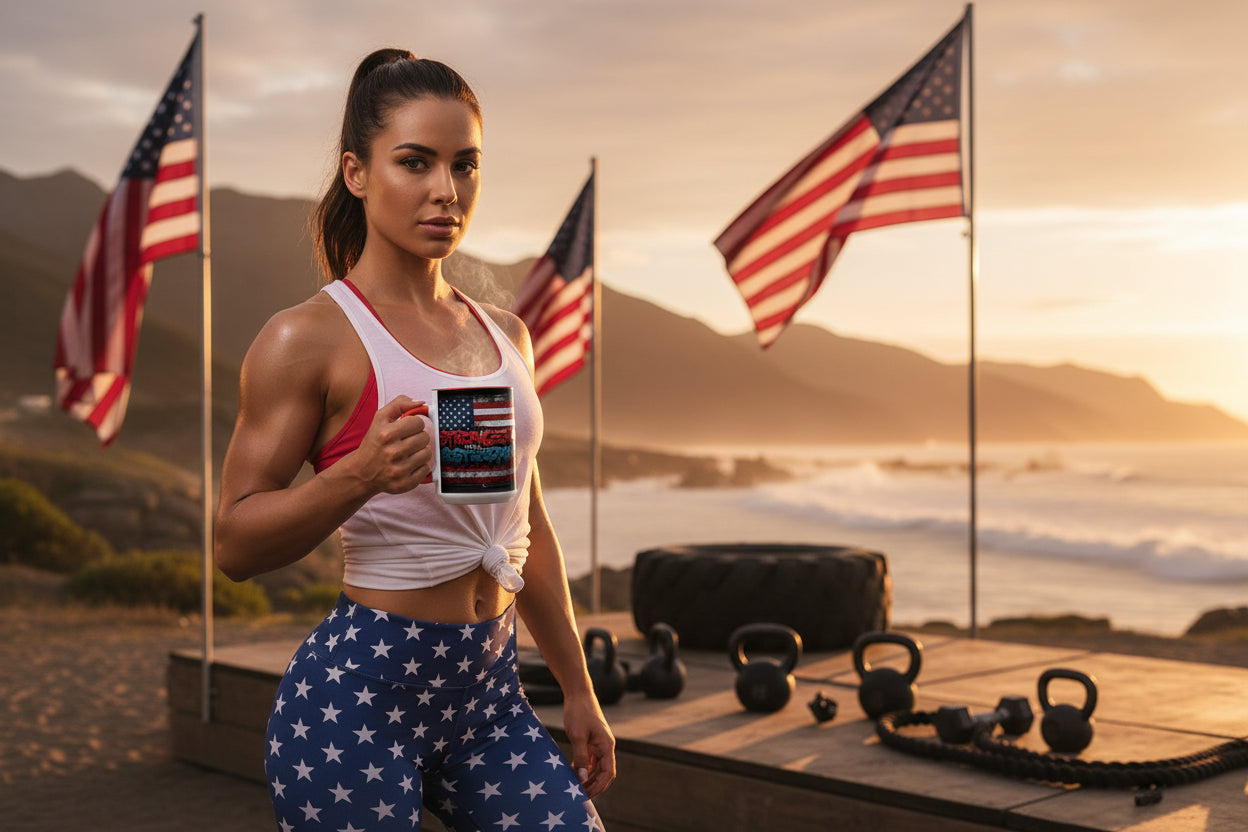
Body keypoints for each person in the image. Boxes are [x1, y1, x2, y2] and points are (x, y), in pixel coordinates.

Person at [214, 48, 614, 831]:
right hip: (356, 704)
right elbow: (234, 544)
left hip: (488, 697)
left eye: (464, 165)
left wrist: (578, 687)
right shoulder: (309, 337)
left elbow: (517, 526)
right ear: (357, 173)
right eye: (414, 162)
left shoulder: (503, 337)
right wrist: (353, 478)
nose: (445, 189)